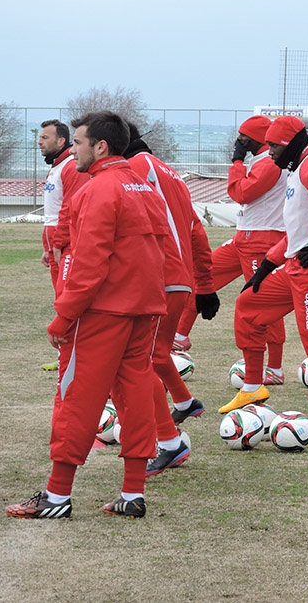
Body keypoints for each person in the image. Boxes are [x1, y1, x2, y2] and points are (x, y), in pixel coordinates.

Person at [4, 111, 169, 519]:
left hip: (104, 311)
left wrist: (64, 315)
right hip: (145, 307)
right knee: (135, 395)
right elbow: (161, 247)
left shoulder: (99, 188)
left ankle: (56, 496)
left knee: (76, 395)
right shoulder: (144, 186)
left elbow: (88, 261)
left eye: (77, 142)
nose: (73, 150)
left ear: (101, 146)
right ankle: (133, 492)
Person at [224, 115, 308, 449]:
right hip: (298, 265)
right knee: (249, 305)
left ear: (292, 143)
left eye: (275, 147)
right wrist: (267, 265)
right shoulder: (298, 169)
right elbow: (298, 229)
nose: (270, 153)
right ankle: (253, 387)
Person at [123, 123, 218, 477]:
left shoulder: (135, 168)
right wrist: (204, 285)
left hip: (158, 277)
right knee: (155, 354)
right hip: (177, 279)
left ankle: (168, 440)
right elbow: (196, 230)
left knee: (138, 361)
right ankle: (184, 402)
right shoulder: (172, 175)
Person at [174, 116, 288, 384]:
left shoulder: (270, 163)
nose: (239, 141)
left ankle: (275, 368)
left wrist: (236, 163)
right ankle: (179, 338)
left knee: (262, 300)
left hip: (262, 240)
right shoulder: (262, 160)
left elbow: (241, 193)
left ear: (256, 138)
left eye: (243, 136)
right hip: (244, 238)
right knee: (201, 279)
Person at [38, 120, 90, 291]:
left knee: (65, 294)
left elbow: (70, 209)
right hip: (54, 242)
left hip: (65, 243)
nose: (39, 142)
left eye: (45, 138)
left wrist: (58, 244)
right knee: (59, 294)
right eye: (40, 137)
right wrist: (48, 248)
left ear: (60, 141)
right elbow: (52, 211)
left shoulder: (71, 167)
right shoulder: (56, 167)